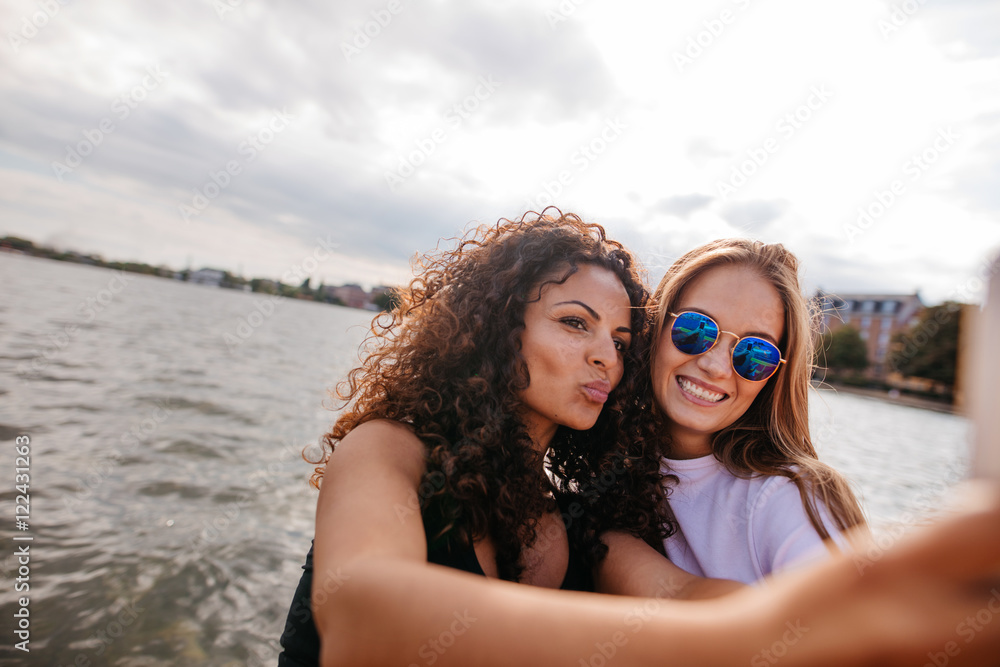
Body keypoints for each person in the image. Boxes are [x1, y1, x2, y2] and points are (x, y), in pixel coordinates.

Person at [277, 211, 1000, 667]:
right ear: (495, 327)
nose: (605, 355)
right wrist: (775, 634)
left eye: (621, 337)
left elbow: (683, 593)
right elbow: (363, 618)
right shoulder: (385, 449)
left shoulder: (568, 523)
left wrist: (860, 616)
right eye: (573, 321)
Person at [646, 239, 866, 583]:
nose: (715, 366)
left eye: (755, 353)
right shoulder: (601, 461)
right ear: (654, 324)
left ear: (774, 377)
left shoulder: (784, 497)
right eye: (694, 328)